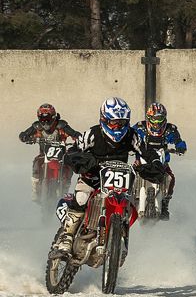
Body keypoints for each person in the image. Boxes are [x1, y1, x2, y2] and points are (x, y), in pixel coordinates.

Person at [49, 98, 165, 260]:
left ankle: (120, 239)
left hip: (120, 180)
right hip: (93, 175)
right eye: (114, 123)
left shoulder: (132, 136)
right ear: (104, 119)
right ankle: (66, 238)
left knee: (132, 206)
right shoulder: (93, 133)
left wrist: (155, 163)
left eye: (122, 123)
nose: (118, 127)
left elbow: (147, 151)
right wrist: (82, 160)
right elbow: (73, 150)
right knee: (81, 197)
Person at [133, 103, 187, 220]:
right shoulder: (139, 127)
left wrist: (180, 147)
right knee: (128, 175)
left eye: (160, 119)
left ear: (164, 118)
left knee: (171, 178)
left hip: (161, 161)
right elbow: (129, 137)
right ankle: (127, 200)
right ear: (149, 118)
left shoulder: (170, 130)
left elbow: (178, 141)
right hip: (141, 160)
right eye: (154, 119)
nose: (157, 123)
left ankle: (165, 204)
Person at [18, 103, 81, 202]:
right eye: (42, 119)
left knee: (70, 165)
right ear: (39, 118)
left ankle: (66, 188)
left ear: (53, 117)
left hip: (62, 156)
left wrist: (77, 137)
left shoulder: (62, 125)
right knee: (36, 163)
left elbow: (74, 133)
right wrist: (24, 136)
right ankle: (35, 190)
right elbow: (25, 133)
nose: (45, 122)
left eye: (47, 119)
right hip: (44, 155)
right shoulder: (37, 126)